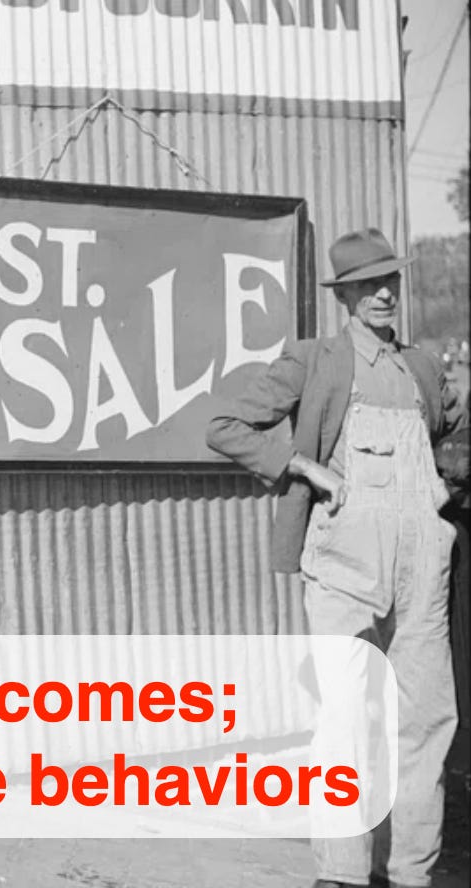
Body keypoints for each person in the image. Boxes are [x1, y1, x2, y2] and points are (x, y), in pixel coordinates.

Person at [207, 228, 466, 888]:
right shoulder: (312, 360)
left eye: (390, 281)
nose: (383, 294)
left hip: (422, 565)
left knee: (426, 720)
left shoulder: (423, 368)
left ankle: (410, 873)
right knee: (346, 717)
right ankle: (343, 873)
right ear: (344, 295)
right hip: (343, 563)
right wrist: (302, 466)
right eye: (367, 285)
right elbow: (227, 427)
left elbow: (453, 437)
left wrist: (444, 493)